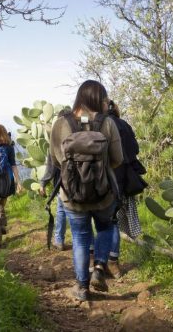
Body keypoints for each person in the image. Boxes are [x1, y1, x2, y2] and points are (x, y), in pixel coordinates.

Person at [50, 80, 123, 301]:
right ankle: (99, 267)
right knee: (105, 228)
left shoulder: (61, 123)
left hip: (72, 196)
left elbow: (55, 160)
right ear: (97, 99)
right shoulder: (107, 123)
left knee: (81, 238)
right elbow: (118, 159)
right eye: (104, 99)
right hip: (103, 193)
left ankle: (82, 287)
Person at [105, 100, 144, 278]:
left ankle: (97, 263)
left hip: (103, 180)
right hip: (122, 181)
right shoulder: (125, 125)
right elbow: (135, 149)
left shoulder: (99, 124)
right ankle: (114, 264)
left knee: (98, 221)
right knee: (112, 221)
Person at [40, 153, 67, 251]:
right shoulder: (81, 138)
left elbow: (51, 169)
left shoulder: (57, 140)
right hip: (83, 185)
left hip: (63, 185)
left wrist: (42, 183)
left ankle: (59, 241)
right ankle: (89, 244)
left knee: (61, 211)